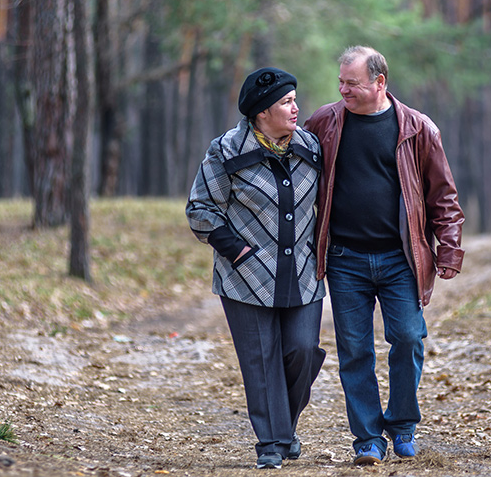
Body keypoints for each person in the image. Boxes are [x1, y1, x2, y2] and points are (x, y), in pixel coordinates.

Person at [304, 46, 464, 465]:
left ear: (380, 82)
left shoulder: (417, 128)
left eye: (352, 83)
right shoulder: (325, 121)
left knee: (409, 338)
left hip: (400, 260)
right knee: (355, 351)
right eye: (340, 82)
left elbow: (442, 195)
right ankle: (368, 439)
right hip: (344, 259)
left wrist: (449, 248)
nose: (343, 90)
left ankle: (403, 425)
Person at [186, 67, 326, 470]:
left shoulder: (311, 147)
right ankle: (272, 442)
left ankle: (285, 426)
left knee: (302, 350)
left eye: (295, 98)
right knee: (260, 359)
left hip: (302, 271)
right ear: (262, 112)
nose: (296, 107)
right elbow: (200, 209)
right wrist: (238, 251)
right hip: (246, 275)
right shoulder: (226, 151)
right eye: (286, 102)